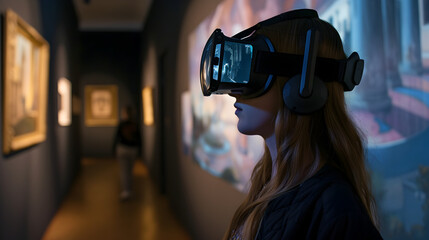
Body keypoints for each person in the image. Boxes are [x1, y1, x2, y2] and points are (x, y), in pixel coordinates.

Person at [199, 9, 382, 240]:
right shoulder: (267, 181)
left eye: (252, 73)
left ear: (302, 87)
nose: (234, 94)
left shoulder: (338, 212)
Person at [113, 105, 141, 201]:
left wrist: (113, 150)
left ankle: (126, 191)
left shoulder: (122, 124)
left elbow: (116, 137)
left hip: (123, 149)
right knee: (129, 171)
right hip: (132, 149)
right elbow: (139, 138)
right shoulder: (135, 124)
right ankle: (129, 190)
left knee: (124, 171)